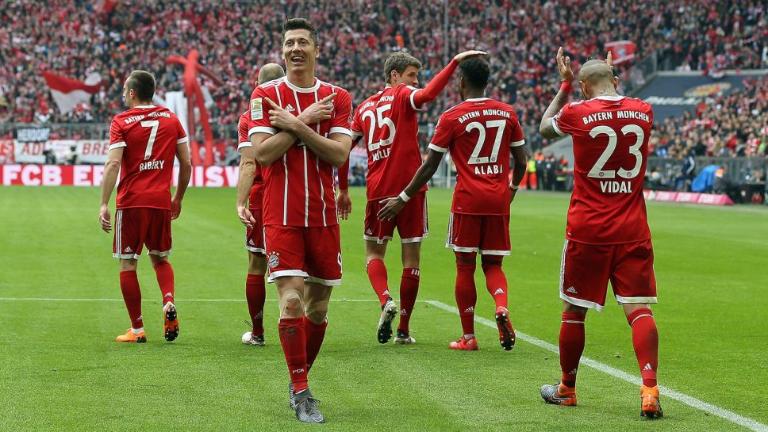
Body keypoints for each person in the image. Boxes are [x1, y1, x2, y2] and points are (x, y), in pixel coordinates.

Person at [236, 18, 353, 424]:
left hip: (322, 216)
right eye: (289, 43)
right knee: (290, 301)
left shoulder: (338, 97)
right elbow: (263, 154)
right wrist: (306, 118)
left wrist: (293, 123)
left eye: (303, 42)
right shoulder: (264, 95)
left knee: (317, 309)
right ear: (283, 51)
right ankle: (302, 391)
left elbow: (338, 155)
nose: (296, 49)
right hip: (280, 216)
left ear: (316, 49)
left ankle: (297, 378)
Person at [538, 48, 662, 418]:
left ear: (583, 87)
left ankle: (567, 389)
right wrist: (609, 76)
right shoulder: (643, 110)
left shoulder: (576, 112)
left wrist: (564, 87)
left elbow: (544, 127)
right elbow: (618, 104)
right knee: (638, 308)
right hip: (632, 227)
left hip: (588, 228)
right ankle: (650, 391)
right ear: (616, 79)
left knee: (574, 310)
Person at [378, 56, 527, 351]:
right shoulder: (507, 112)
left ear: (461, 82)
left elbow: (430, 166)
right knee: (493, 264)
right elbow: (521, 161)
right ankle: (501, 306)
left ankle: (468, 337)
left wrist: (403, 198)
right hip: (498, 200)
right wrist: (511, 189)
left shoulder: (452, 116)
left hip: (467, 201)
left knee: (465, 266)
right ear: (487, 82)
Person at [350, 49, 485, 345]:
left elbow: (343, 148)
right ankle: (403, 330)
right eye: (411, 75)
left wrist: (342, 191)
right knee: (411, 259)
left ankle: (385, 299)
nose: (416, 81)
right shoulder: (402, 94)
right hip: (410, 190)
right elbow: (428, 95)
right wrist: (454, 63)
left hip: (377, 191)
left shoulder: (363, 108)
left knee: (374, 254)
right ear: (394, 75)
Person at [99, 70, 192, 344]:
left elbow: (113, 163)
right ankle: (168, 300)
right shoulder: (171, 119)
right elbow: (186, 163)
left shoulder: (121, 121)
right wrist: (178, 198)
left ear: (131, 92)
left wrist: (104, 203)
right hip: (160, 201)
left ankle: (137, 329)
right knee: (160, 259)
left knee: (128, 263)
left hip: (131, 202)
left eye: (124, 90)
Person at [237, 63, 285, 346]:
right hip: (292, 192)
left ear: (257, 85)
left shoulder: (249, 118)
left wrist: (240, 202)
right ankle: (297, 327)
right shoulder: (297, 111)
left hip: (260, 196)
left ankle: (257, 333)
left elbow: (248, 162)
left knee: (257, 263)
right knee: (296, 266)